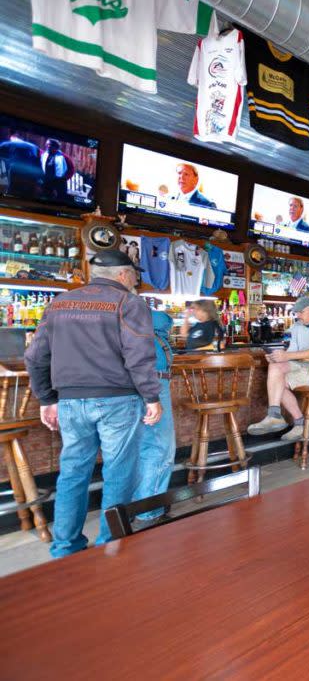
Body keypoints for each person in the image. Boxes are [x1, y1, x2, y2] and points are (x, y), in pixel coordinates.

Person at [25, 249, 162, 558]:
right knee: (119, 471)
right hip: (118, 401)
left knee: (72, 472)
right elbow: (139, 356)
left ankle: (64, 547)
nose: (135, 279)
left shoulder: (59, 303)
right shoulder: (129, 302)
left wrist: (48, 399)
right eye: (135, 275)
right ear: (125, 275)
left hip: (71, 403)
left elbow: (35, 357)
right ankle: (109, 545)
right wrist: (152, 396)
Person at [248, 296, 309, 441]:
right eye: (296, 312)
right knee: (275, 367)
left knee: (278, 383)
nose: (297, 316)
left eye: (300, 312)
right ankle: (274, 415)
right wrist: (276, 356)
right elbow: (290, 349)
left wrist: (287, 355)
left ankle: (300, 423)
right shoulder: (297, 326)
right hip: (303, 367)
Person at [133, 308, 176, 522]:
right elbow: (161, 320)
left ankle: (133, 506)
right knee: (159, 447)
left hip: (123, 389)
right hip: (154, 384)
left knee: (139, 448)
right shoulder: (154, 328)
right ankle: (148, 511)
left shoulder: (124, 328)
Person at [0, 131, 43, 197]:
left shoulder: (5, 144)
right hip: (30, 176)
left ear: (12, 137)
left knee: (11, 192)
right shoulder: (34, 147)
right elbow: (38, 164)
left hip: (12, 174)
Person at [40, 138, 73, 202]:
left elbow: (71, 169)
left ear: (55, 146)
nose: (47, 146)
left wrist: (65, 178)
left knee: (59, 200)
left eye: (49, 144)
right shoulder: (44, 155)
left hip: (59, 183)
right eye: (46, 144)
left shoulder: (64, 157)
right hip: (47, 182)